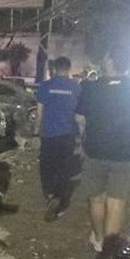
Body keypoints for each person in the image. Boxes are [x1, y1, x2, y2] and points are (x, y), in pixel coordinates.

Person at [76, 44, 130, 259]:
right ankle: (107, 254)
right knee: (116, 201)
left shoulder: (90, 88)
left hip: (95, 151)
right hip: (124, 153)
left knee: (95, 198)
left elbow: (80, 118)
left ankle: (99, 239)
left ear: (109, 61)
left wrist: (93, 125)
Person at [36, 56, 82, 221]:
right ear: (68, 69)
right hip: (68, 134)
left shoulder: (45, 86)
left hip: (49, 135)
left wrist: (36, 132)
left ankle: (50, 195)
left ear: (54, 68)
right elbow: (79, 114)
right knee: (64, 168)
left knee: (47, 166)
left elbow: (40, 112)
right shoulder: (76, 88)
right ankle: (61, 199)